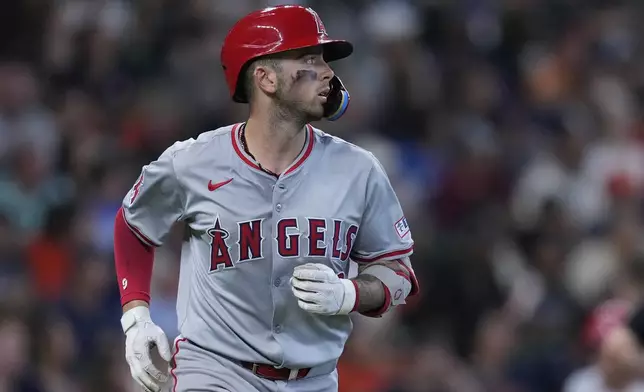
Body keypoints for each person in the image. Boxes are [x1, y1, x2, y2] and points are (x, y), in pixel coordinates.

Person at [113, 5, 419, 392]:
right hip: (214, 371)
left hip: (315, 379)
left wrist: (350, 293)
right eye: (309, 59)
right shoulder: (192, 162)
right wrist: (136, 318)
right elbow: (134, 224)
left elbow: (398, 273)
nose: (327, 73)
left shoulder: (358, 170)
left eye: (324, 60)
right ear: (265, 78)